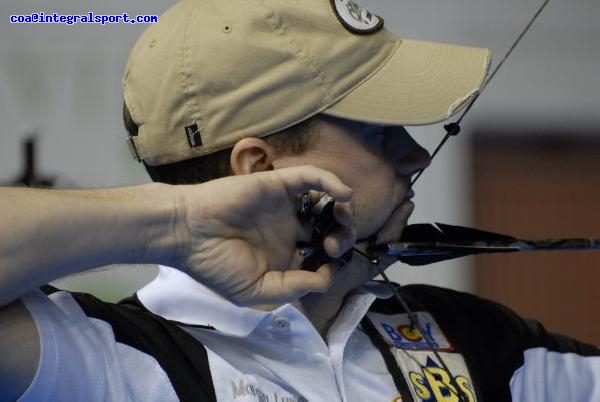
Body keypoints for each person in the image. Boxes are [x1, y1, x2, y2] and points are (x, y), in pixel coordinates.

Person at [2, 0, 599, 401]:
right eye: (378, 131)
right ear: (263, 170)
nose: (415, 155)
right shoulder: (100, 361)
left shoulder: (475, 341)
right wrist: (180, 221)